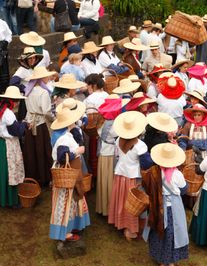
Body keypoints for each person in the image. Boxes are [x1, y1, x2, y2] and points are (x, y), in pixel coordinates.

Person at [144, 143, 188, 266]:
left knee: (159, 232)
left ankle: (162, 262)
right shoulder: (177, 174)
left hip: (158, 206)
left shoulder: (154, 171)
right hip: (172, 207)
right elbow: (184, 190)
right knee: (173, 234)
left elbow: (148, 186)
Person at [49, 98, 90, 241]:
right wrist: (78, 151)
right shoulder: (63, 139)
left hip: (71, 171)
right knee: (66, 201)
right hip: (67, 173)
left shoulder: (63, 135)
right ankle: (64, 232)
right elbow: (62, 156)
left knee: (73, 200)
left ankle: (72, 226)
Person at [109, 111, 152, 240]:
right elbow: (146, 164)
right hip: (133, 177)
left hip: (120, 174)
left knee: (121, 200)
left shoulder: (118, 140)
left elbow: (118, 156)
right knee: (132, 204)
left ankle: (120, 223)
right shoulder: (140, 145)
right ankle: (130, 229)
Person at [95, 94, 129, 216]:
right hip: (109, 155)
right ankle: (110, 208)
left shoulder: (101, 121)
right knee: (110, 181)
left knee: (104, 181)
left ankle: (103, 206)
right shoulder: (113, 125)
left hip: (103, 153)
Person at [23, 66, 55, 188]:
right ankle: (44, 178)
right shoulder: (43, 92)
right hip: (40, 125)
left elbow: (28, 109)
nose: (48, 77)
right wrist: (54, 120)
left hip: (30, 123)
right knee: (43, 151)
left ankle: (34, 177)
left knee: (32, 151)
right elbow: (46, 112)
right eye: (46, 76)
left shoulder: (28, 91)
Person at [0, 86, 27, 208]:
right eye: (17, 100)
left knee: (3, 172)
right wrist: (24, 124)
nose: (18, 103)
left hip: (2, 143)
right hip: (8, 145)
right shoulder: (8, 114)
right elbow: (17, 132)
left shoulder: (2, 109)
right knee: (10, 172)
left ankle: (3, 198)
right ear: (13, 101)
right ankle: (11, 201)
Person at [0, 19, 12, 93]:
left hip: (2, 47)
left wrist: (6, 42)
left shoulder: (2, 22)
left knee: (3, 72)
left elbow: (9, 34)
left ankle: (3, 91)